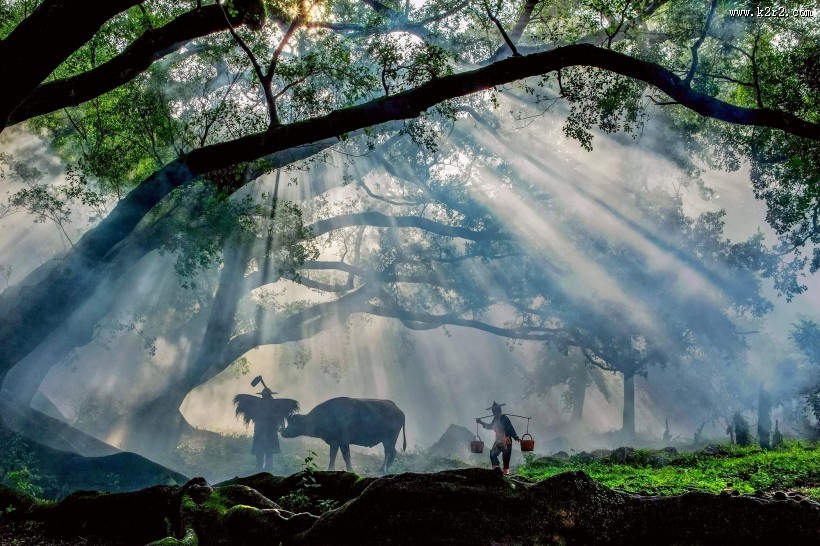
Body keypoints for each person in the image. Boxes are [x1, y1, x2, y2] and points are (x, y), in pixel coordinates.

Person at [234, 378, 299, 471]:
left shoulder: (261, 405)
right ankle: (264, 470)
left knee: (264, 453)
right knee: (267, 453)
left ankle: (262, 470)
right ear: (269, 395)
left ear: (263, 396)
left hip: (262, 432)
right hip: (266, 432)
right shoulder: (268, 406)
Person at [476, 401, 520, 476]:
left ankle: (506, 475)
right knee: (492, 453)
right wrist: (481, 422)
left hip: (506, 440)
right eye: (493, 411)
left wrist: (516, 437)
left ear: (499, 410)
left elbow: (510, 428)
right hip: (498, 440)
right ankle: (496, 470)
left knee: (506, 458)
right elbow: (490, 426)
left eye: (495, 410)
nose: (494, 412)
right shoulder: (495, 419)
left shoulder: (505, 418)